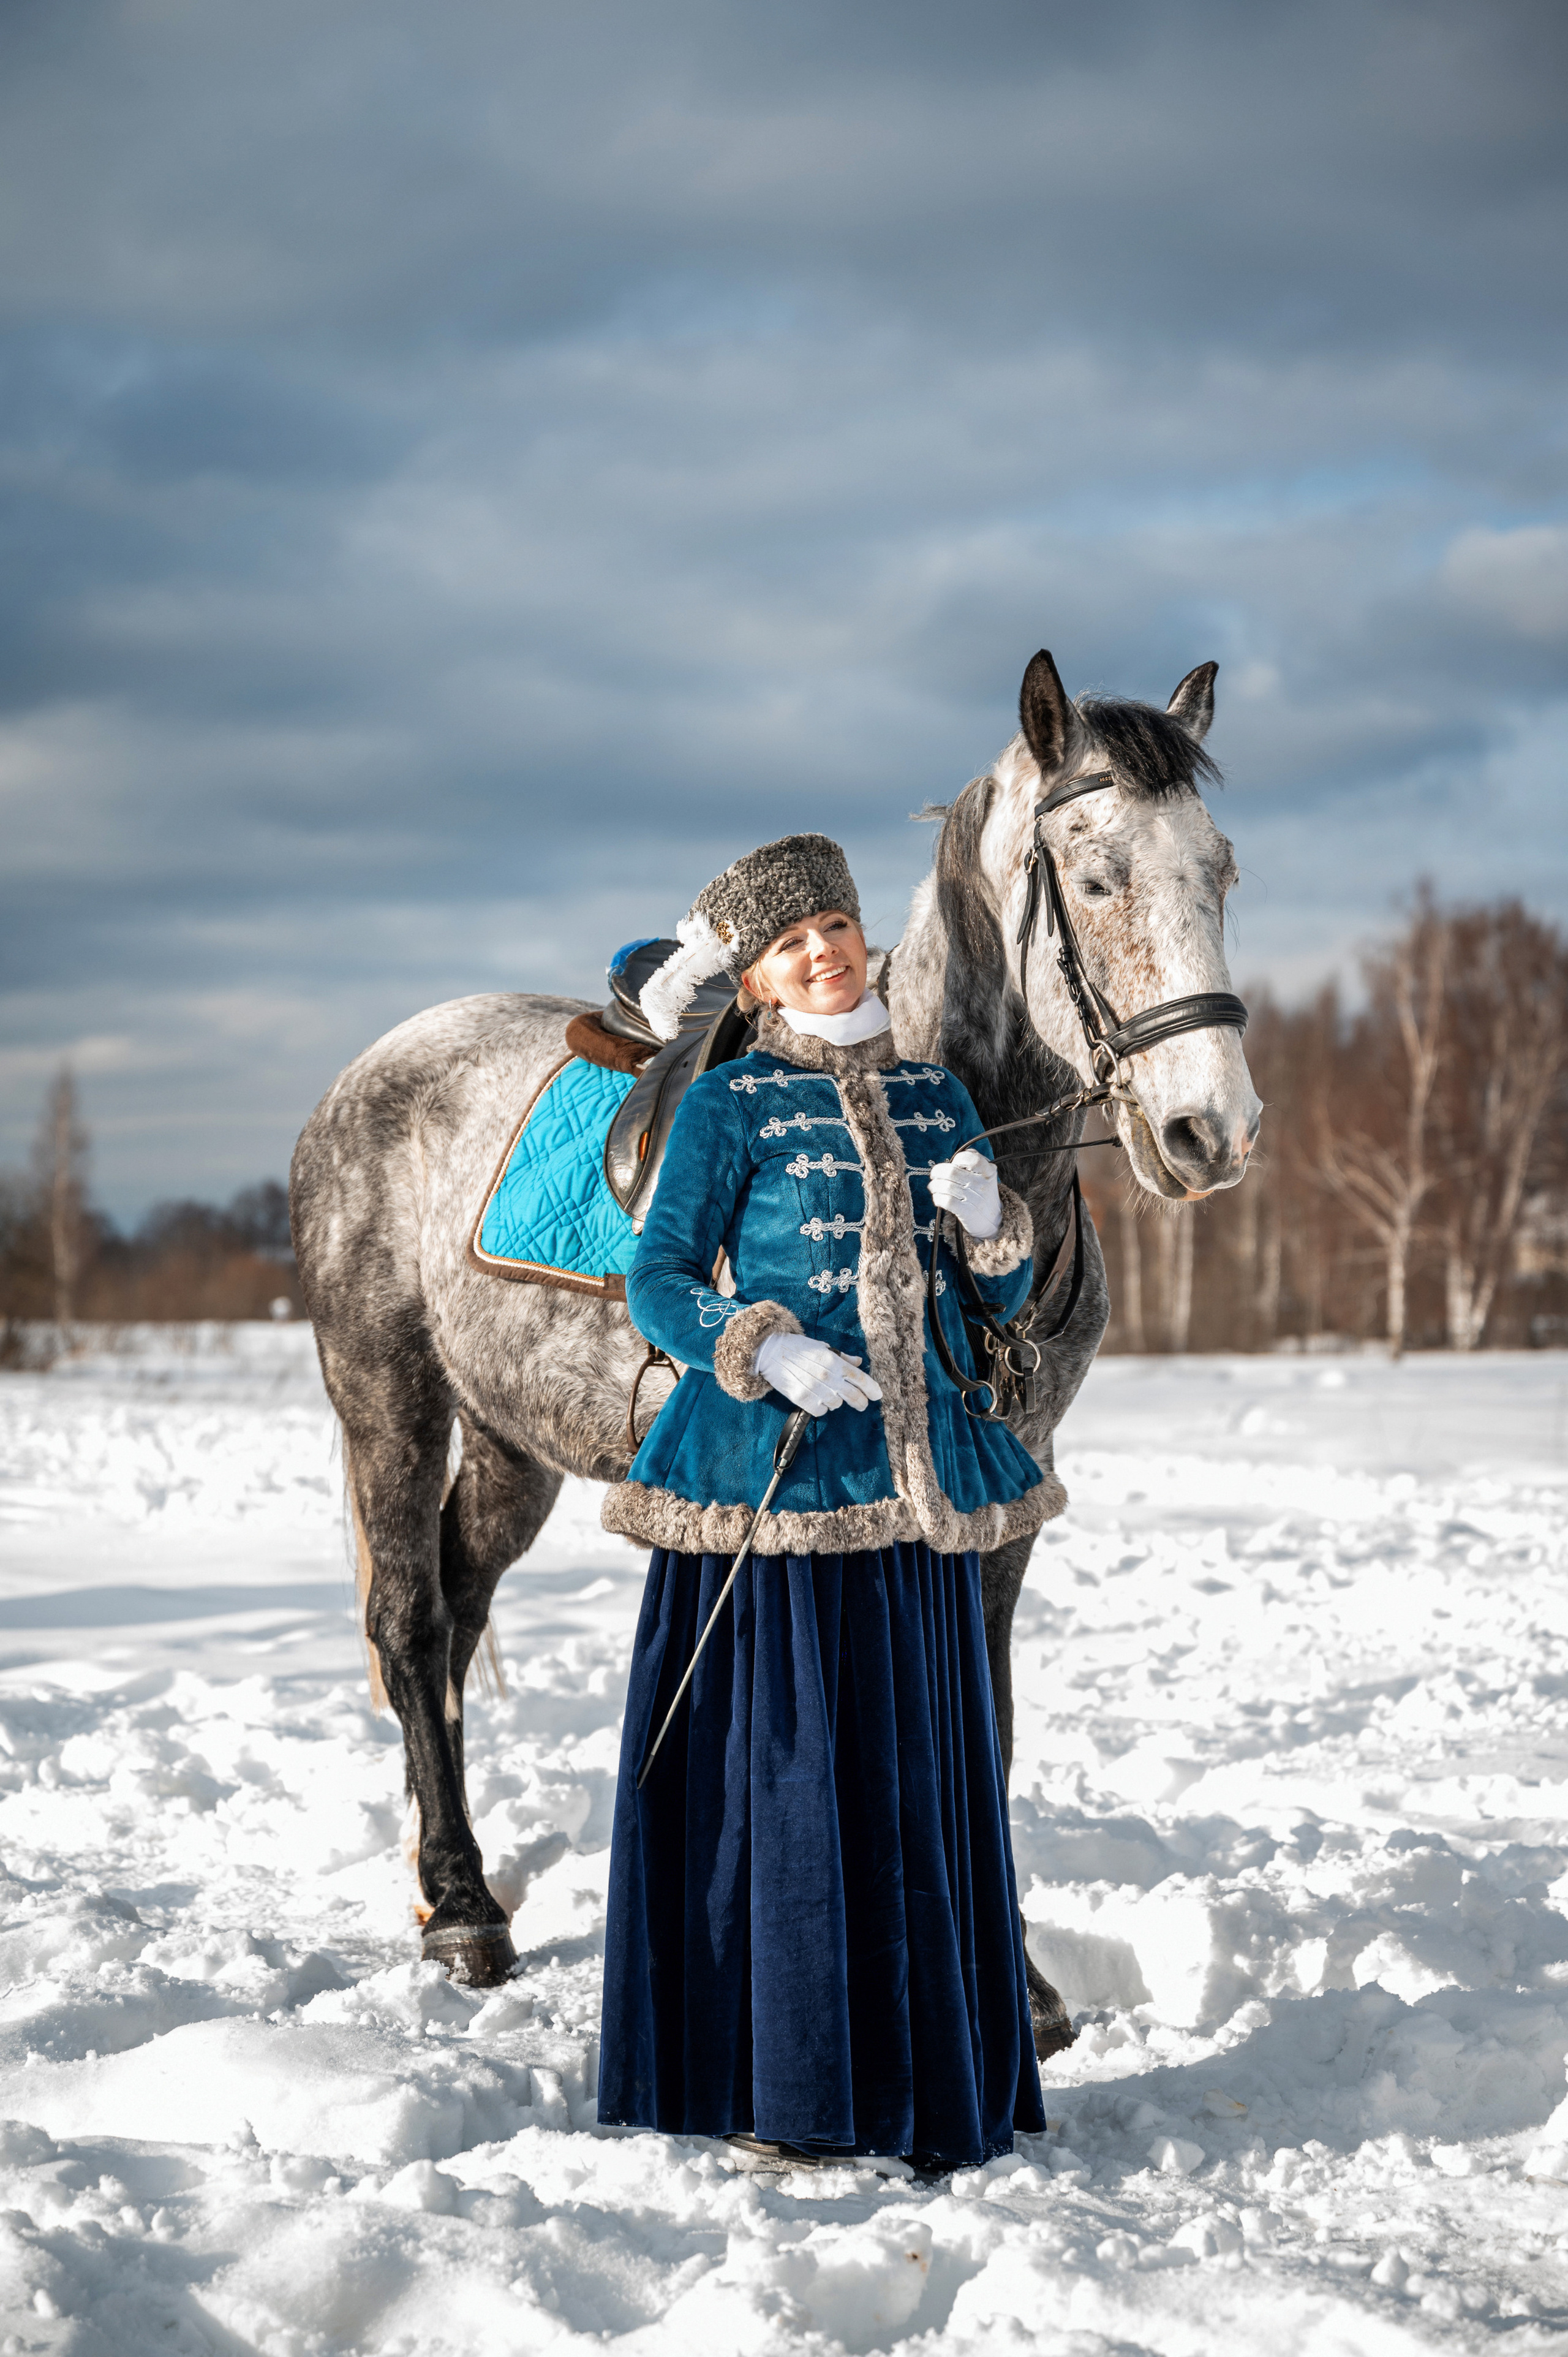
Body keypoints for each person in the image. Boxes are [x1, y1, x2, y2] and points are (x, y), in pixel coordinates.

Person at [597, 831, 1056, 2171]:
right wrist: (758, 1349)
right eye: (789, 943)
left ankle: (924, 2082)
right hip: (780, 1497)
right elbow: (660, 1277)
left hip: (911, 1508)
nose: (820, 952)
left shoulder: (936, 1099)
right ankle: (779, 2080)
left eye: (834, 928)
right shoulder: (730, 1106)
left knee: (914, 1797)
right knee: (789, 1793)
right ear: (755, 979)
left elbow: (996, 1303)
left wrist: (986, 1227)